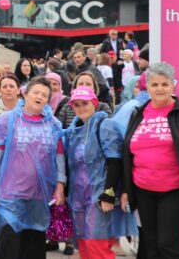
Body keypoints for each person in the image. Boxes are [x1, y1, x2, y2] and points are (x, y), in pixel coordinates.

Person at [120, 62, 179, 259]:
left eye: (165, 84)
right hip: (143, 190)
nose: (160, 89)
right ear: (148, 87)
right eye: (155, 85)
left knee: (169, 247)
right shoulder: (138, 113)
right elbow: (128, 154)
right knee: (151, 247)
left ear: (173, 85)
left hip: (175, 191)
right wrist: (126, 191)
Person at [0, 77, 66, 259]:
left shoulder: (53, 124)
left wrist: (60, 185)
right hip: (12, 194)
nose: (39, 97)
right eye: (35, 92)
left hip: (40, 195)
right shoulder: (7, 120)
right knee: (9, 246)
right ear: (25, 94)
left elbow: (59, 157)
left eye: (44, 95)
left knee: (34, 246)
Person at [61, 87, 137, 259]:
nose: (81, 108)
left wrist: (108, 193)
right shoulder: (74, 131)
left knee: (98, 246)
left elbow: (115, 161)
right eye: (77, 105)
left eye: (85, 103)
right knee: (84, 244)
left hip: (98, 197)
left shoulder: (105, 125)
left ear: (94, 103)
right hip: (78, 198)